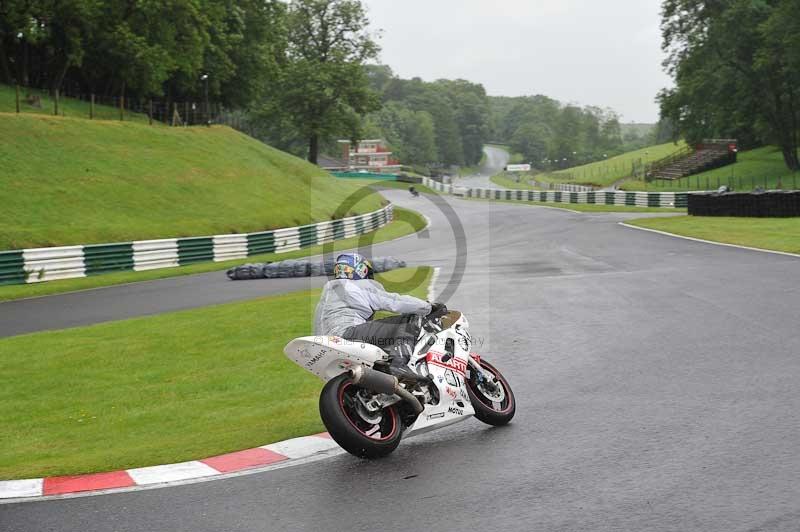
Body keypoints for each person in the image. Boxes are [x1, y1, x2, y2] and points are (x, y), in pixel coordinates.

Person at [313, 252, 445, 381]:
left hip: (327, 344)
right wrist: (429, 307)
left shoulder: (327, 293)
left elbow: (317, 327)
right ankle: (399, 365)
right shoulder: (360, 285)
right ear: (361, 270)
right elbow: (395, 302)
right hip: (348, 335)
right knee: (410, 319)